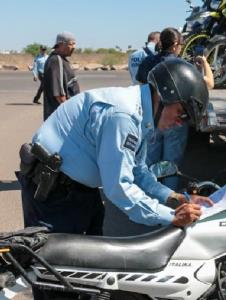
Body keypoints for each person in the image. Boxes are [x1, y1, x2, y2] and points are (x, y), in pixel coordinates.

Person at [17, 58, 213, 238]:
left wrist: (175, 198)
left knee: (89, 266)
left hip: (78, 191)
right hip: (56, 197)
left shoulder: (140, 113)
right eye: (181, 112)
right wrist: (172, 216)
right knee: (52, 269)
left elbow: (137, 171)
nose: (180, 123)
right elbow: (119, 186)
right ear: (163, 96)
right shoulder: (123, 116)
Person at [136, 27, 214, 190]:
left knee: (150, 160)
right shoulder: (181, 65)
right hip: (175, 120)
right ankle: (168, 199)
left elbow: (142, 87)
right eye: (181, 44)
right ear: (176, 44)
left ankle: (149, 196)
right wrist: (205, 62)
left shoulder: (147, 62)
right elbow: (209, 84)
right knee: (170, 164)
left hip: (151, 118)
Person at [42, 31, 80, 120]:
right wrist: (69, 114)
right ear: (61, 44)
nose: (74, 47)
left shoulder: (61, 59)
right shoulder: (56, 60)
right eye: (71, 44)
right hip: (61, 116)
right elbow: (58, 93)